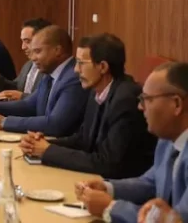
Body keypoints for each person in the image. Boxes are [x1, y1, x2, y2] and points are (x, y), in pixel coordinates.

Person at [19, 33, 156, 178]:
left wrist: (48, 151)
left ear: (102, 67)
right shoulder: (96, 91)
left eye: (81, 63)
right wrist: (44, 143)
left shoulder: (125, 100)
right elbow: (83, 139)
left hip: (120, 184)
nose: (76, 69)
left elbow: (108, 163)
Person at [76, 62, 188, 223]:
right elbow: (150, 183)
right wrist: (107, 188)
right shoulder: (167, 140)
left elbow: (179, 220)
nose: (140, 107)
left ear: (176, 103)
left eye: (146, 99)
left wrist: (111, 207)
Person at [0, 25, 86, 136]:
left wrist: (4, 122)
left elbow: (55, 124)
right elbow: (29, 105)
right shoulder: (50, 74)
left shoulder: (74, 78)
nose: (33, 58)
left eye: (38, 51)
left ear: (57, 50)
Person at [0, 18, 51, 99]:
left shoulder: (50, 67)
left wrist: (22, 96)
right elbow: (16, 87)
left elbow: (46, 99)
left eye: (27, 41)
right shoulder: (28, 64)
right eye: (22, 41)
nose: (23, 47)